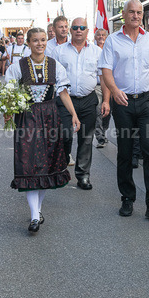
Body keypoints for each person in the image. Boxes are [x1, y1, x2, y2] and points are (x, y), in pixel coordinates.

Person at [5, 27, 81, 232]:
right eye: (35, 40)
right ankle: (34, 216)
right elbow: (9, 93)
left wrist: (73, 114)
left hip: (50, 118)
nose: (39, 43)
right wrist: (7, 113)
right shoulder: (17, 66)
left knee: (45, 165)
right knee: (30, 164)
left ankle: (37, 212)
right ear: (28, 43)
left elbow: (63, 93)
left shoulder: (55, 66)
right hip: (27, 118)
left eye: (43, 40)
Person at [100, 0, 149, 220]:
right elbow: (106, 71)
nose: (136, 16)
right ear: (124, 14)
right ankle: (127, 198)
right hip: (124, 102)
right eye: (132, 12)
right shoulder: (112, 40)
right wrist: (114, 90)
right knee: (126, 152)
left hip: (147, 101)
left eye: (139, 13)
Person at [53, 17, 107, 191]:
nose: (78, 30)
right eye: (75, 27)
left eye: (82, 27)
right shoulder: (59, 51)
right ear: (70, 30)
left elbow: (103, 78)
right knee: (65, 135)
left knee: (86, 139)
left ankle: (83, 176)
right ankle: (61, 170)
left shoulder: (97, 52)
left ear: (87, 31)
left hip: (88, 100)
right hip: (64, 100)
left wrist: (106, 100)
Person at [93, 28, 111, 148]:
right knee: (99, 111)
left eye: (103, 35)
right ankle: (99, 137)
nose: (101, 37)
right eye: (98, 35)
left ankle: (104, 131)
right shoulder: (93, 51)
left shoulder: (111, 49)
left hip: (112, 85)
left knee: (109, 112)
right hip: (98, 86)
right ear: (95, 37)